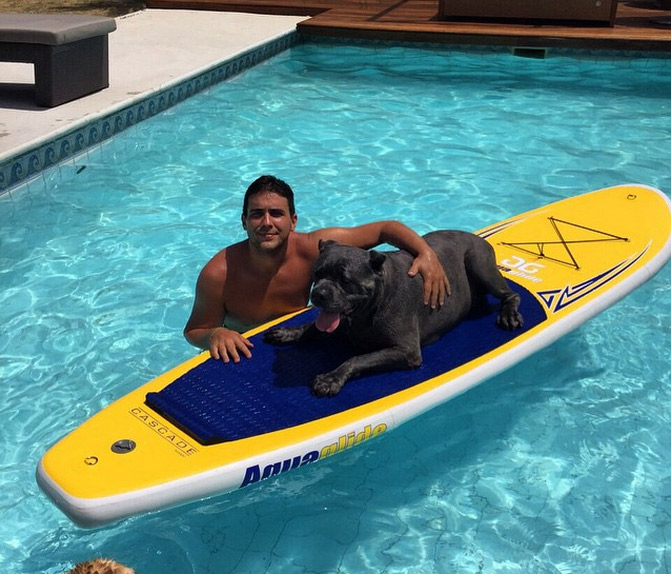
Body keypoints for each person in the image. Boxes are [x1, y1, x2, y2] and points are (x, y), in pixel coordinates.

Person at [184, 175, 451, 363]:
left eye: (276, 213)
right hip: (242, 354)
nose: (267, 222)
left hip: (305, 341)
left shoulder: (315, 248)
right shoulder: (219, 273)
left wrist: (426, 253)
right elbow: (195, 330)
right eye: (257, 214)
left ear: (293, 221)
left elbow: (386, 228)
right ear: (244, 222)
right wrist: (215, 334)